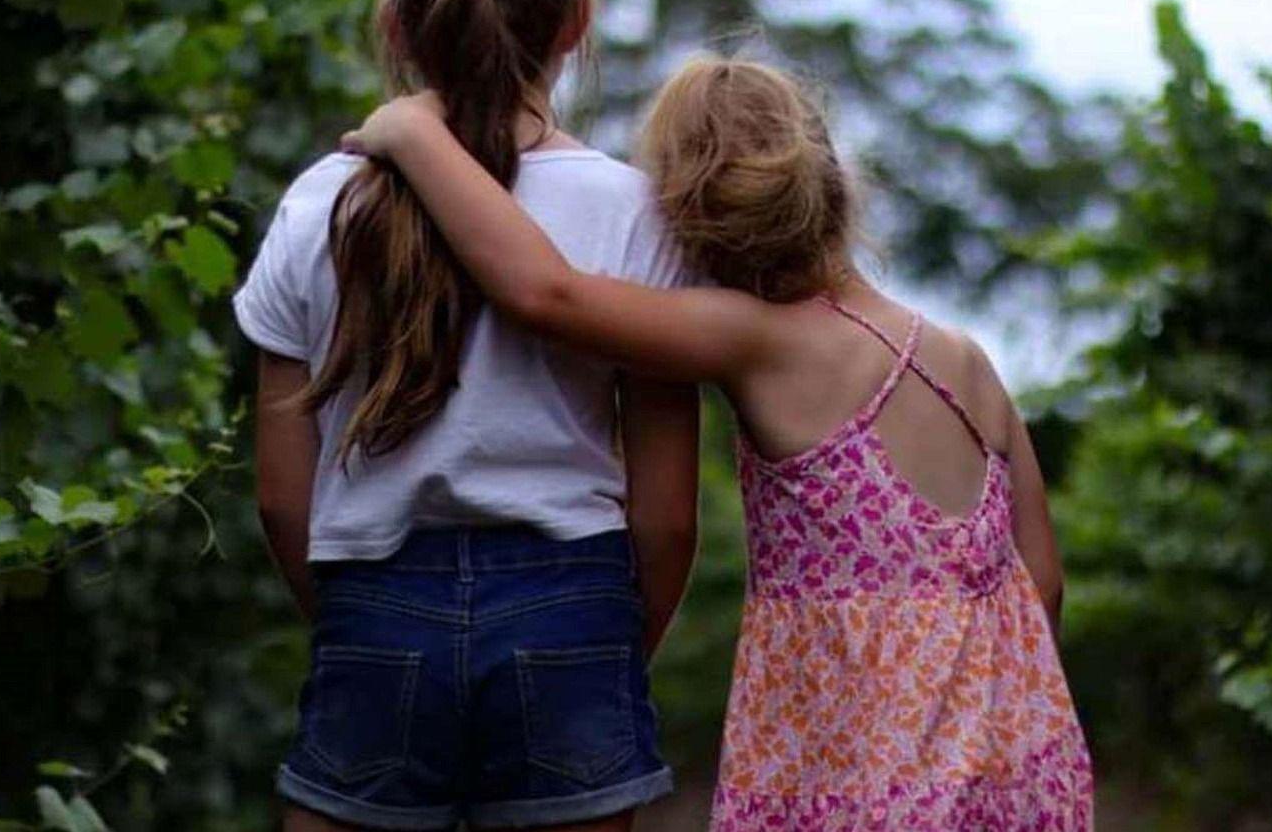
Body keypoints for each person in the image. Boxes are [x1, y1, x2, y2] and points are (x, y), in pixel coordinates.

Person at [341, 58, 1097, 831]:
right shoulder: (967, 360)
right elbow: (1041, 586)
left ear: (689, 218)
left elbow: (544, 293)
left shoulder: (760, 341)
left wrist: (414, 136)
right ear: (829, 176)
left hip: (853, 778)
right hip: (1017, 775)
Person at [234, 0, 700, 832]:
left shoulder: (319, 202)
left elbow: (284, 495)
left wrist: (363, 631)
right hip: (573, 599)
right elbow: (664, 518)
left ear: (397, 25)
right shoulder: (636, 214)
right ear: (576, 19)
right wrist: (606, 647)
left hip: (371, 600)